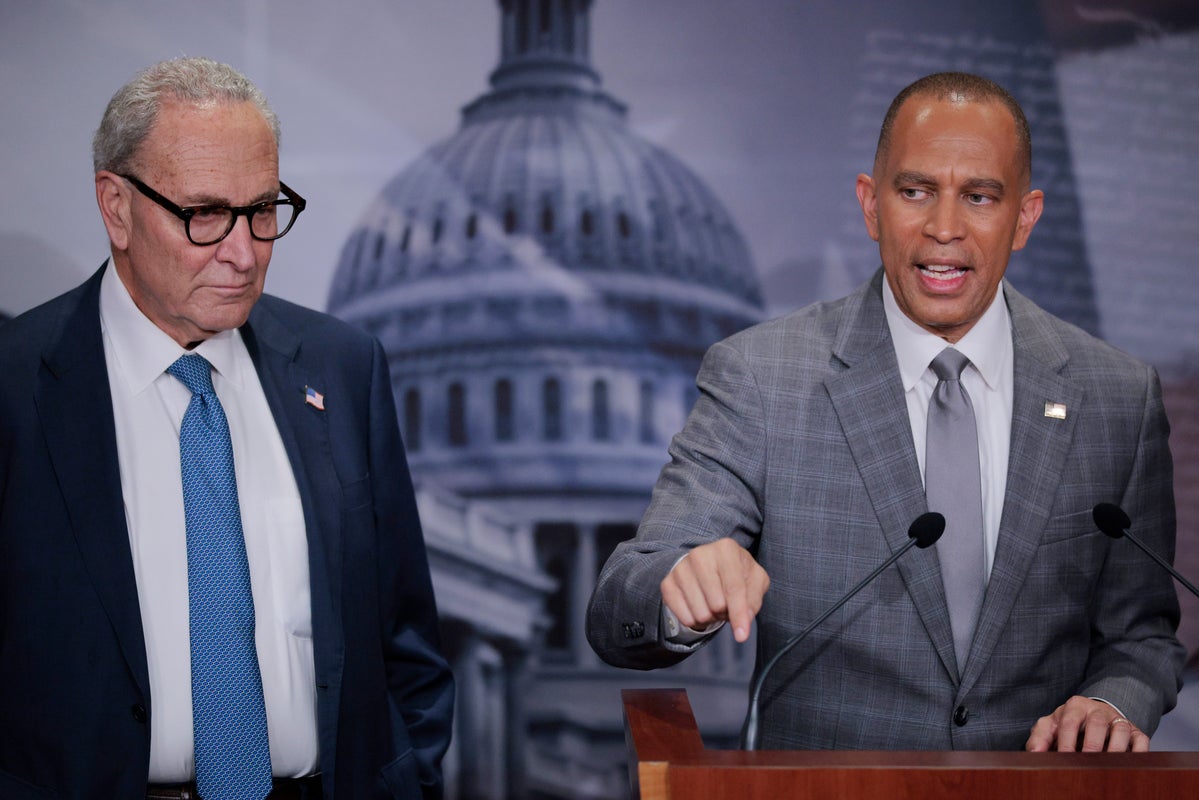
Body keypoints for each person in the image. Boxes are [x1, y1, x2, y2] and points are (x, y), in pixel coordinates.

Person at [587, 71, 1185, 753]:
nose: (943, 228)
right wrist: (677, 588)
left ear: (1024, 218)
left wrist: (1112, 702)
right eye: (915, 191)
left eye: (979, 197)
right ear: (871, 205)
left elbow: (1141, 633)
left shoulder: (1117, 397)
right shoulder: (762, 378)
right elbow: (619, 606)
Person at [0, 57, 453, 799]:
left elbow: (406, 644)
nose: (244, 253)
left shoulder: (343, 368)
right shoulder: (16, 385)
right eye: (204, 214)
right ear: (116, 207)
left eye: (263, 210)